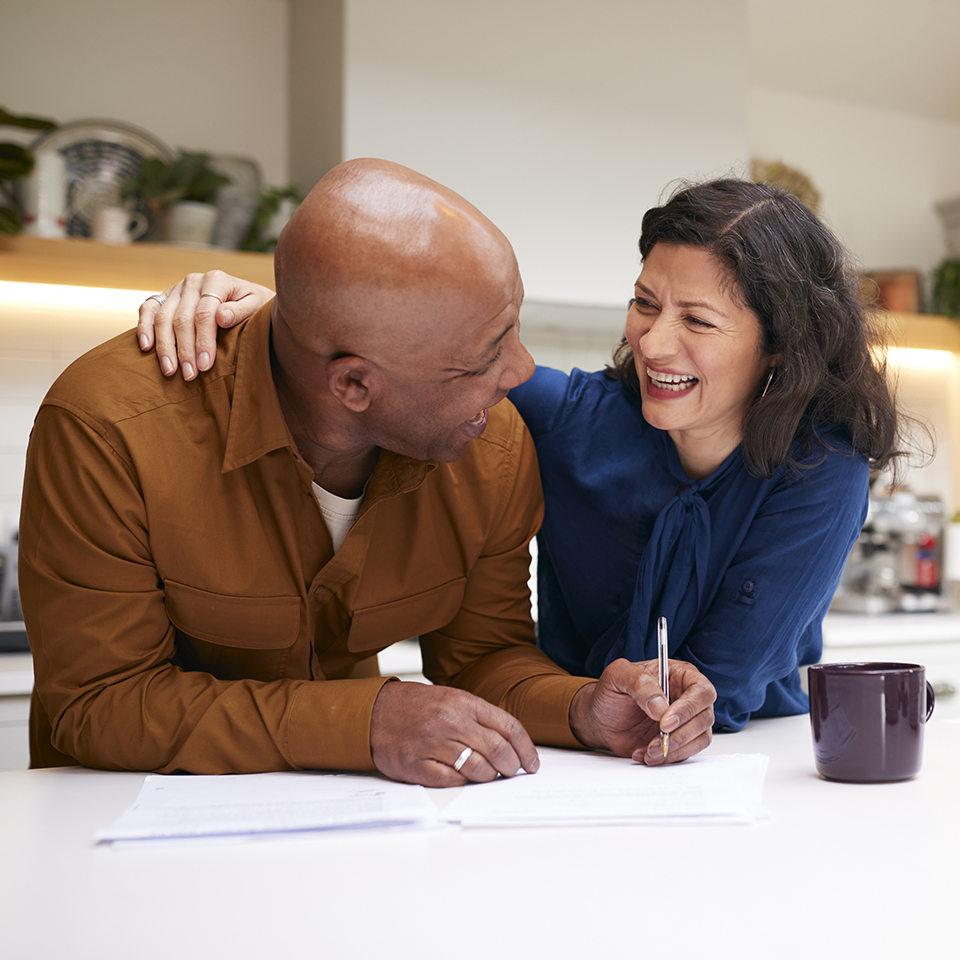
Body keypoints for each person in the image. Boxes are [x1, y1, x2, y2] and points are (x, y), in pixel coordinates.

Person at [19, 158, 717, 784]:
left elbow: (482, 657)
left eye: (512, 328)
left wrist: (583, 707)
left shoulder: (490, 444)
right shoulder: (109, 428)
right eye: (482, 359)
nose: (521, 372)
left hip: (347, 830)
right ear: (353, 386)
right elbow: (99, 703)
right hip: (116, 831)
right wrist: (367, 722)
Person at [143, 177, 910, 731]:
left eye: (698, 321)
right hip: (572, 741)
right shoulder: (575, 419)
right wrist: (271, 312)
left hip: (741, 763)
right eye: (645, 304)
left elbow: (722, 688)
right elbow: (416, 362)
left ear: (781, 347)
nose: (654, 340)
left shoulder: (821, 471)